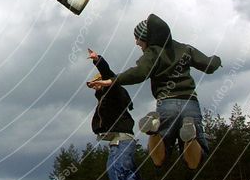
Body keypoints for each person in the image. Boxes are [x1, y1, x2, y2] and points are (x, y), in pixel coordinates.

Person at [89, 14, 222, 170]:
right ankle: (190, 137)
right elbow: (209, 65)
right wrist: (217, 60)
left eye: (139, 39)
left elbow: (139, 73)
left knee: (160, 160)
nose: (137, 42)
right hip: (190, 103)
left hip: (167, 104)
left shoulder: (152, 53)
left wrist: (113, 79)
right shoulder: (186, 48)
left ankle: (153, 130)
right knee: (195, 163)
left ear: (148, 38)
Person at [87, 49, 166, 180]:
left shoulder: (113, 91)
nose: (95, 88)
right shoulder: (109, 97)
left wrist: (99, 61)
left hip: (121, 142)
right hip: (122, 143)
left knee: (118, 179)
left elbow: (110, 77)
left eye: (97, 84)